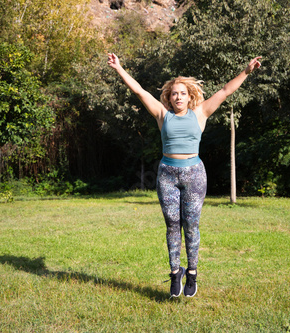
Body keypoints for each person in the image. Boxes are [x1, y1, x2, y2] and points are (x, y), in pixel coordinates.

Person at [107, 53, 262, 298]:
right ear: (169, 98)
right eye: (174, 94)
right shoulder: (162, 114)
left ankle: (192, 273)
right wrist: (119, 68)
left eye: (182, 93)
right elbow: (139, 91)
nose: (178, 97)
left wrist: (246, 72)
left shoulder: (200, 113)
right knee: (171, 224)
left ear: (190, 97)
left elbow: (224, 91)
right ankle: (174, 272)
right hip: (167, 174)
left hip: (194, 175)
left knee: (191, 225)